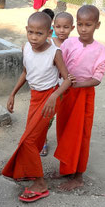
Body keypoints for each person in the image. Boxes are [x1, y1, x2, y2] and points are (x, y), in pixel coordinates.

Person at [1, 12, 73, 202]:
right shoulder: (26, 48)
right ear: (26, 30)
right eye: (30, 32)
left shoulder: (54, 52)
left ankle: (40, 184)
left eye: (39, 34)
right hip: (34, 97)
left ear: (49, 33)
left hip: (50, 99)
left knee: (29, 140)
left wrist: (55, 96)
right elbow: (26, 71)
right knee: (34, 137)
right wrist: (13, 93)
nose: (34, 37)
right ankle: (28, 170)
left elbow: (67, 80)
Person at [54, 5, 105, 191]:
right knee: (63, 130)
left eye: (88, 24)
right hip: (67, 93)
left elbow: (96, 79)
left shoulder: (101, 51)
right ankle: (66, 168)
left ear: (97, 25)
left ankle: (78, 176)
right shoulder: (69, 44)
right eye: (80, 24)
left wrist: (75, 84)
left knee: (81, 134)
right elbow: (59, 59)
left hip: (84, 95)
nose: (84, 28)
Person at [40, 11, 75, 156]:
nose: (61, 30)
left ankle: (65, 146)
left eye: (66, 27)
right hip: (51, 86)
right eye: (58, 27)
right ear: (53, 27)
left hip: (67, 87)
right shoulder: (49, 42)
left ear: (72, 28)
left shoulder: (74, 44)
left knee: (66, 118)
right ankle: (43, 141)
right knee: (46, 117)